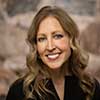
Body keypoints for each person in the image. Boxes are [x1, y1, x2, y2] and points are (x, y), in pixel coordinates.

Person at [6, 5, 100, 100]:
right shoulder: (19, 92)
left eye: (57, 36)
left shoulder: (90, 87)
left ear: (71, 39)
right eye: (42, 39)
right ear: (36, 46)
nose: (50, 47)